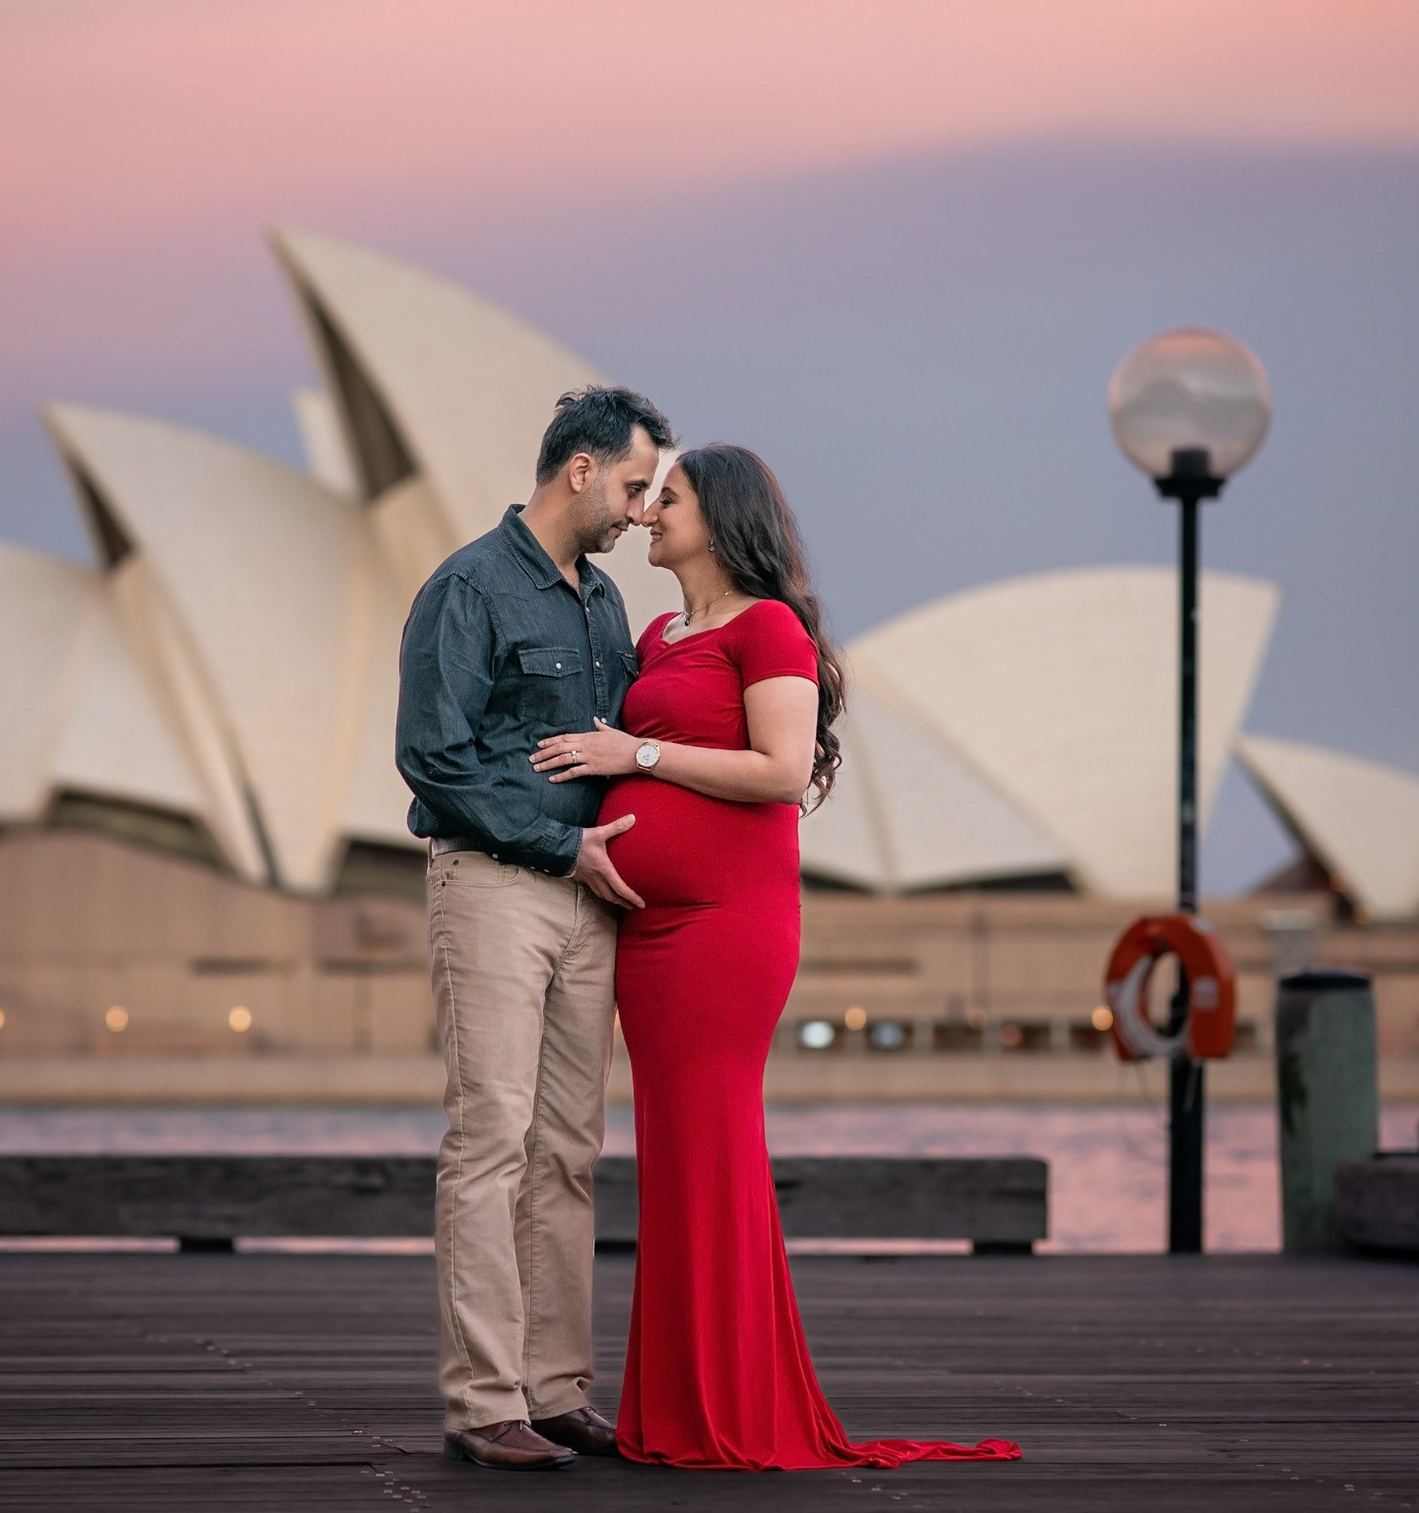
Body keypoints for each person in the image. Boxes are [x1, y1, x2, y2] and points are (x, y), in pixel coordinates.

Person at [531, 445, 1021, 1471]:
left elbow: (782, 770)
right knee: (673, 1155)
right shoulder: (662, 631)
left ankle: (732, 1406)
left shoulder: (770, 626)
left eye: (669, 498)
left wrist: (639, 754)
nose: (649, 512)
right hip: (647, 930)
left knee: (711, 1143)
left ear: (726, 517)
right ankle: (674, 1403)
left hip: (726, 924)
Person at [395, 385, 675, 1472]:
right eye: (632, 484)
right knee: (490, 1139)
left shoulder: (603, 604)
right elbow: (431, 753)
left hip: (590, 898)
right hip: (498, 886)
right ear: (578, 470)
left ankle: (554, 1389)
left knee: (567, 1149)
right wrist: (561, 847)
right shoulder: (467, 585)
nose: (640, 508)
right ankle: (483, 1399)